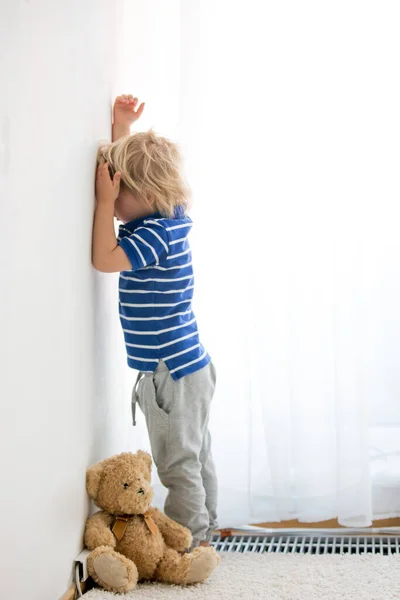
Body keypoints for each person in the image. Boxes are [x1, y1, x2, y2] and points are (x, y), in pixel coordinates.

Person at [92, 94, 218, 549]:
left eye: (115, 189)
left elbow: (104, 260)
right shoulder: (168, 219)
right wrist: (121, 127)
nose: (108, 195)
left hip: (171, 373)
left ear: (144, 195)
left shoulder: (151, 236)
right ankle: (206, 527)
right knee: (197, 452)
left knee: (176, 463)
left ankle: (190, 544)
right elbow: (131, 175)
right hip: (192, 364)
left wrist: (105, 204)